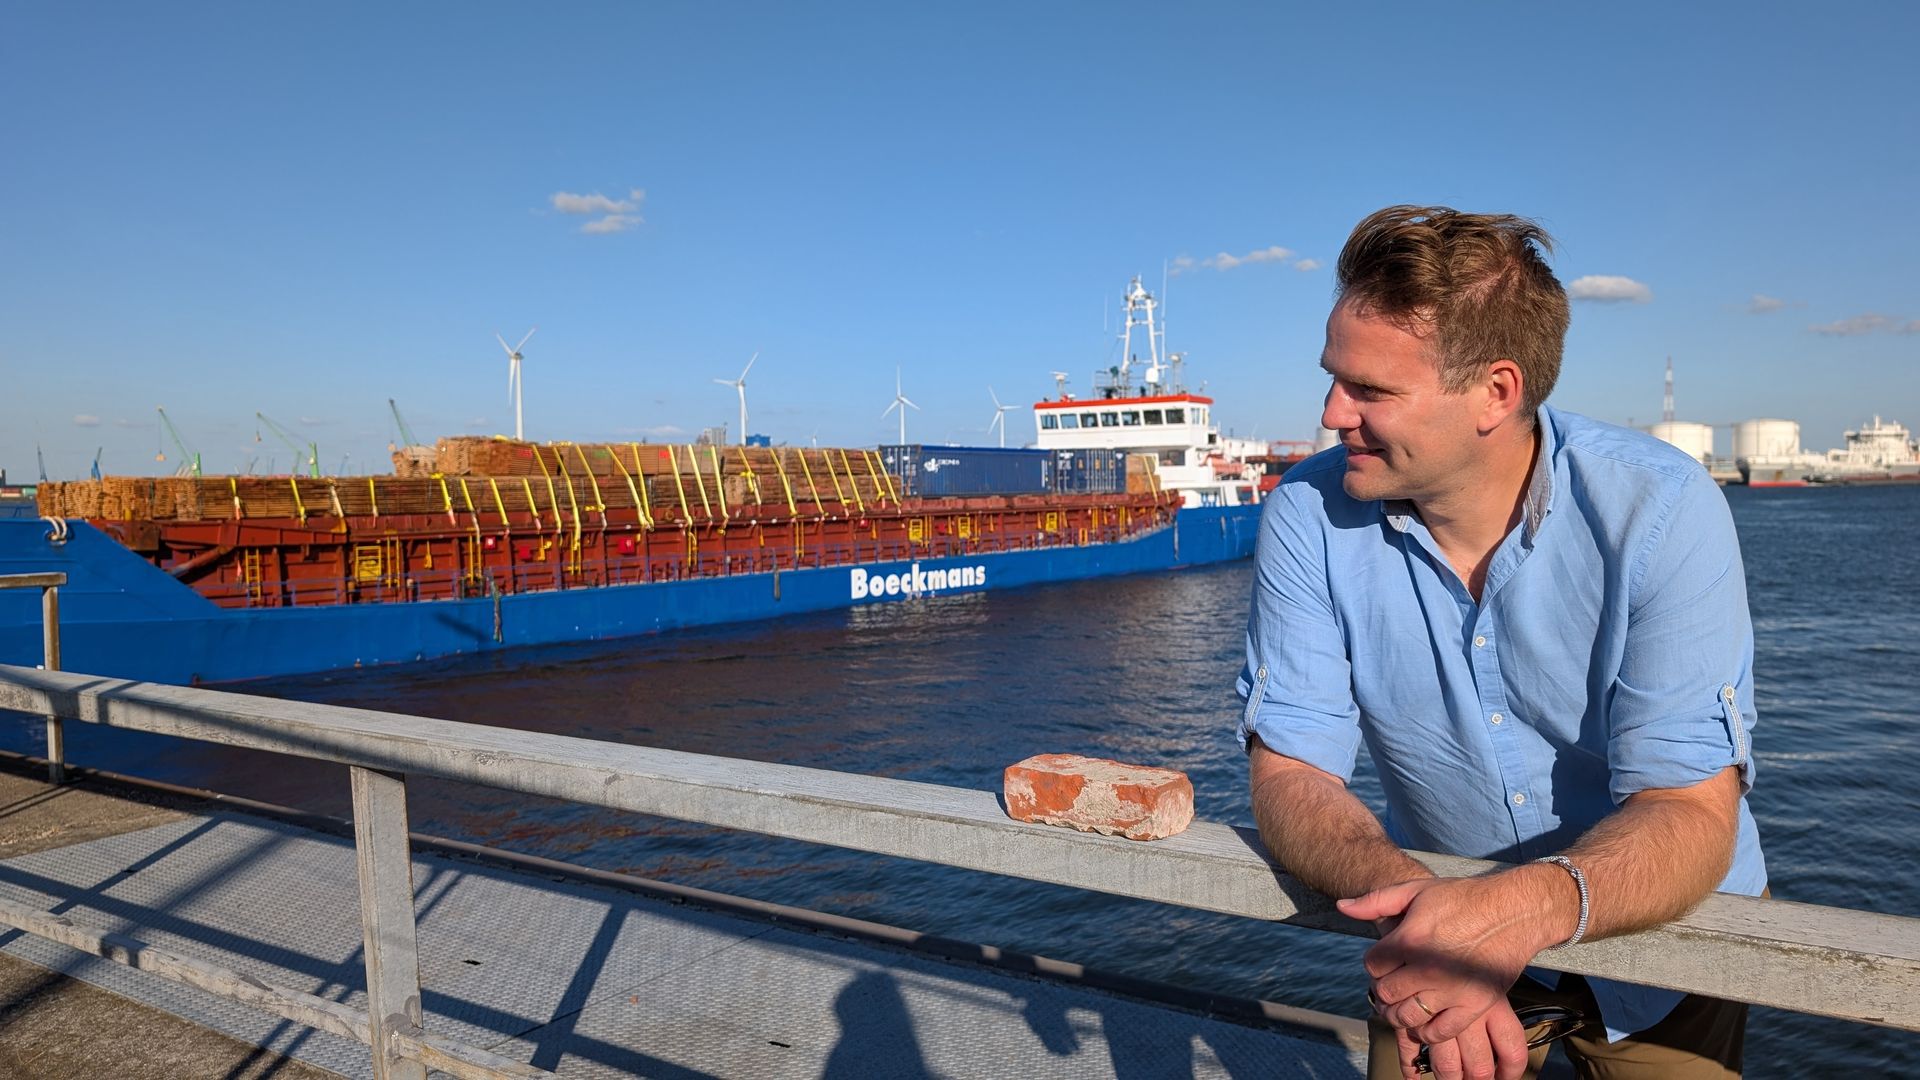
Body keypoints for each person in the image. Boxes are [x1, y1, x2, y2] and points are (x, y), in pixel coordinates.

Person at [1237, 205, 1766, 1080]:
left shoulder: (1662, 511)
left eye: (1369, 391)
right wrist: (1431, 925)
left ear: (1496, 392)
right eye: (1334, 379)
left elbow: (1691, 812)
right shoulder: (1307, 515)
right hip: (1427, 934)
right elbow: (1290, 770)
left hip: (1665, 944)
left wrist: (1514, 911)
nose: (1331, 413)